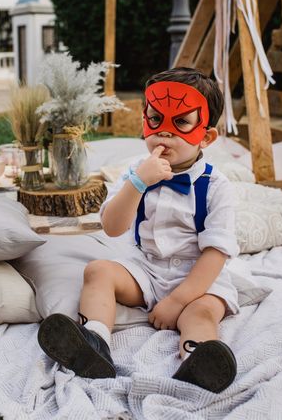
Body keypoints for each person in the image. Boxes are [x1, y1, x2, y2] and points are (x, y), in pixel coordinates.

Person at [37, 67, 240, 393]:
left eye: (182, 123)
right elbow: (112, 227)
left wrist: (178, 300)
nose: (165, 134)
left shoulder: (217, 186)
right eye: (155, 120)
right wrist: (138, 183)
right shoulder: (136, 172)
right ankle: (94, 344)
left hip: (199, 280)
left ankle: (198, 360)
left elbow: (215, 255)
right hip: (146, 270)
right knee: (98, 270)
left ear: (206, 136)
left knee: (201, 314)